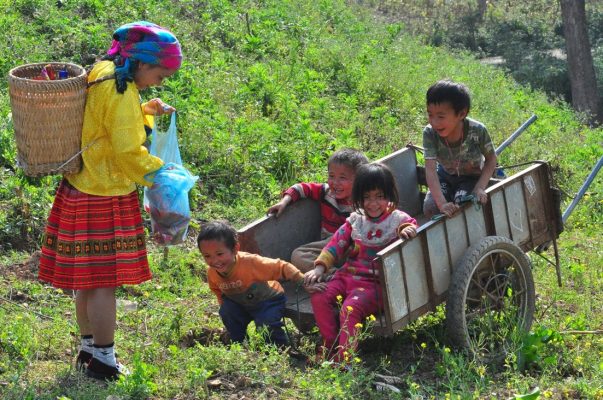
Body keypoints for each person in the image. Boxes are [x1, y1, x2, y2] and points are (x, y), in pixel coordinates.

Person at [37, 21, 183, 381]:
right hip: (105, 193)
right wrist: (162, 174)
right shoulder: (121, 92)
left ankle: (89, 351)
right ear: (142, 64)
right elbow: (127, 150)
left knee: (87, 279)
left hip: (81, 186)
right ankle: (104, 360)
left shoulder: (106, 72)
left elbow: (103, 122)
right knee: (104, 281)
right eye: (160, 74)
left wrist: (145, 109)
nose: (160, 82)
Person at [304, 163, 418, 364]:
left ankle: (344, 360)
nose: (373, 203)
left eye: (379, 197)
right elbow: (335, 245)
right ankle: (329, 344)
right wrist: (319, 268)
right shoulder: (355, 221)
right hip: (347, 276)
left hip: (376, 284)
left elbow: (409, 226)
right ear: (359, 198)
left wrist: (406, 231)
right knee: (319, 295)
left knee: (350, 308)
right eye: (367, 198)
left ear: (389, 196)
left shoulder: (397, 219)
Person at [198, 220, 306, 348]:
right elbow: (217, 290)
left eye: (219, 254)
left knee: (266, 324)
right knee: (227, 312)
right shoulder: (212, 273)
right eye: (207, 256)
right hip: (239, 302)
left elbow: (281, 266)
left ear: (235, 249)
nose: (214, 260)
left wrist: (302, 280)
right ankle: (240, 345)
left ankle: (280, 348)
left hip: (267, 300)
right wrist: (226, 308)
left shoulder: (251, 263)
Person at [267, 148, 369, 273]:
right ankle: (334, 275)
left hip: (350, 247)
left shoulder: (364, 201)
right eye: (331, 176)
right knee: (298, 256)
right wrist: (284, 202)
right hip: (327, 246)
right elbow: (301, 188)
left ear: (359, 180)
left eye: (342, 178)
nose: (335, 183)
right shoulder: (326, 192)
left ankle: (345, 274)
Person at [422, 80, 497, 218]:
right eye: (430, 115)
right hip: (444, 176)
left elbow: (491, 159)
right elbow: (431, 170)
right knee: (430, 208)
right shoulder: (430, 133)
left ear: (461, 114)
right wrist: (442, 204)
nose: (434, 122)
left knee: (463, 205)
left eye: (440, 116)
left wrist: (479, 188)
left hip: (471, 177)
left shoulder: (477, 130)